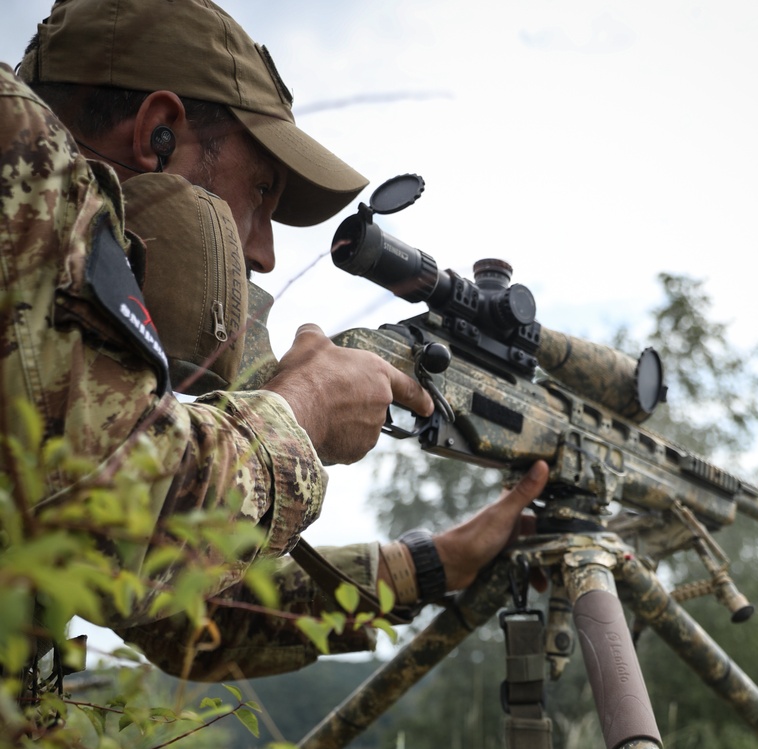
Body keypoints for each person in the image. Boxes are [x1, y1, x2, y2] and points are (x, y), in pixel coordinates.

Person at [3, 0, 549, 685]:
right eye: (260, 192)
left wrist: (430, 565)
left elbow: (182, 610)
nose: (261, 253)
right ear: (158, 132)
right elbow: (120, 539)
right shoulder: (15, 144)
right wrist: (304, 411)